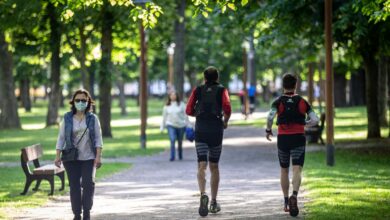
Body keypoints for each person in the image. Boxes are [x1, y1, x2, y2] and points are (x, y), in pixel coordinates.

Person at [265, 73, 318, 217]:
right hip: (298, 138)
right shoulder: (302, 101)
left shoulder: (278, 101)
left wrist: (269, 130)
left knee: (284, 170)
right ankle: (295, 194)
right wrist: (305, 123)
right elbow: (315, 119)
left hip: (283, 139)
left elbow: (270, 117)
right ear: (296, 85)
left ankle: (286, 201)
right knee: (297, 169)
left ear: (283, 86)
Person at [186, 66, 231, 217]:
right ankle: (213, 201)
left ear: (204, 78)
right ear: (217, 78)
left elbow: (188, 109)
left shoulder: (198, 90)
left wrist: (197, 114)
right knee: (214, 166)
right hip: (216, 131)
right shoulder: (222, 90)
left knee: (201, 165)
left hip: (201, 130)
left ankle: (202, 193)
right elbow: (227, 107)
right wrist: (225, 121)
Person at [54, 89, 103, 220]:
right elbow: (61, 137)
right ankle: (77, 214)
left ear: (88, 102)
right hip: (71, 158)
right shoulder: (67, 118)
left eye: (83, 100)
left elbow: (98, 138)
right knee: (74, 186)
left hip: (89, 157)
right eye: (78, 100)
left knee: (88, 184)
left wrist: (98, 156)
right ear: (73, 102)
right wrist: (57, 155)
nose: (80, 102)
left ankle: (86, 211)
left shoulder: (93, 119)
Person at [160, 91, 189, 161]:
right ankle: (172, 156)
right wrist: (162, 127)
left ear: (177, 96)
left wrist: (188, 124)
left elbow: (186, 116)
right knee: (172, 140)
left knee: (180, 141)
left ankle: (180, 154)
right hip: (170, 125)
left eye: (174, 95)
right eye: (171, 95)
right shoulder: (166, 106)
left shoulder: (182, 105)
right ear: (169, 97)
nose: (173, 96)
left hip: (181, 125)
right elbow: (164, 117)